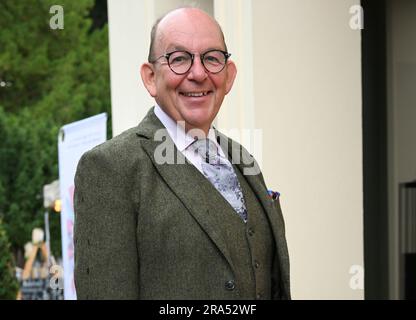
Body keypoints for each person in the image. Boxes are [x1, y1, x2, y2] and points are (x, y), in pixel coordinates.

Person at [74, 7, 290, 300]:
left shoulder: (243, 159)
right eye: (179, 59)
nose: (198, 73)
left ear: (229, 75)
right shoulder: (110, 168)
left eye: (212, 58)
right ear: (150, 77)